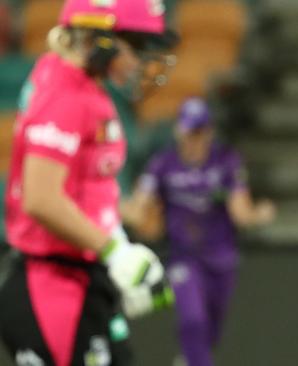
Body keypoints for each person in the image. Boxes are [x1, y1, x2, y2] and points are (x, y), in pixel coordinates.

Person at [0, 1, 177, 365]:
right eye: (136, 46)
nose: (140, 60)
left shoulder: (81, 85)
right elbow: (42, 198)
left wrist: (119, 249)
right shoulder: (66, 95)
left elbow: (87, 191)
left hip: (77, 279)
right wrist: (116, 253)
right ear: (101, 40)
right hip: (51, 286)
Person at [121, 97, 276, 366]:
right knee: (192, 319)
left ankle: (190, 360)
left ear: (209, 132)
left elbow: (240, 212)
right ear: (178, 131)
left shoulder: (226, 161)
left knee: (211, 330)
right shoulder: (163, 164)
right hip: (184, 256)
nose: (192, 140)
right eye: (188, 131)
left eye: (198, 132)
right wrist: (109, 205)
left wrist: (259, 214)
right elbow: (137, 207)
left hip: (222, 258)